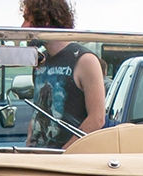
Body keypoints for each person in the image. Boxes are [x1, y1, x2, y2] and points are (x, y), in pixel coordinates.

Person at [20, 0, 104, 148]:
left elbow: (97, 119)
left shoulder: (85, 60)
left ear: (45, 20)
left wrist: (64, 154)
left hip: (68, 163)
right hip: (39, 158)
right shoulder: (41, 61)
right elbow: (38, 109)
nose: (23, 27)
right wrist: (29, 143)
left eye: (27, 19)